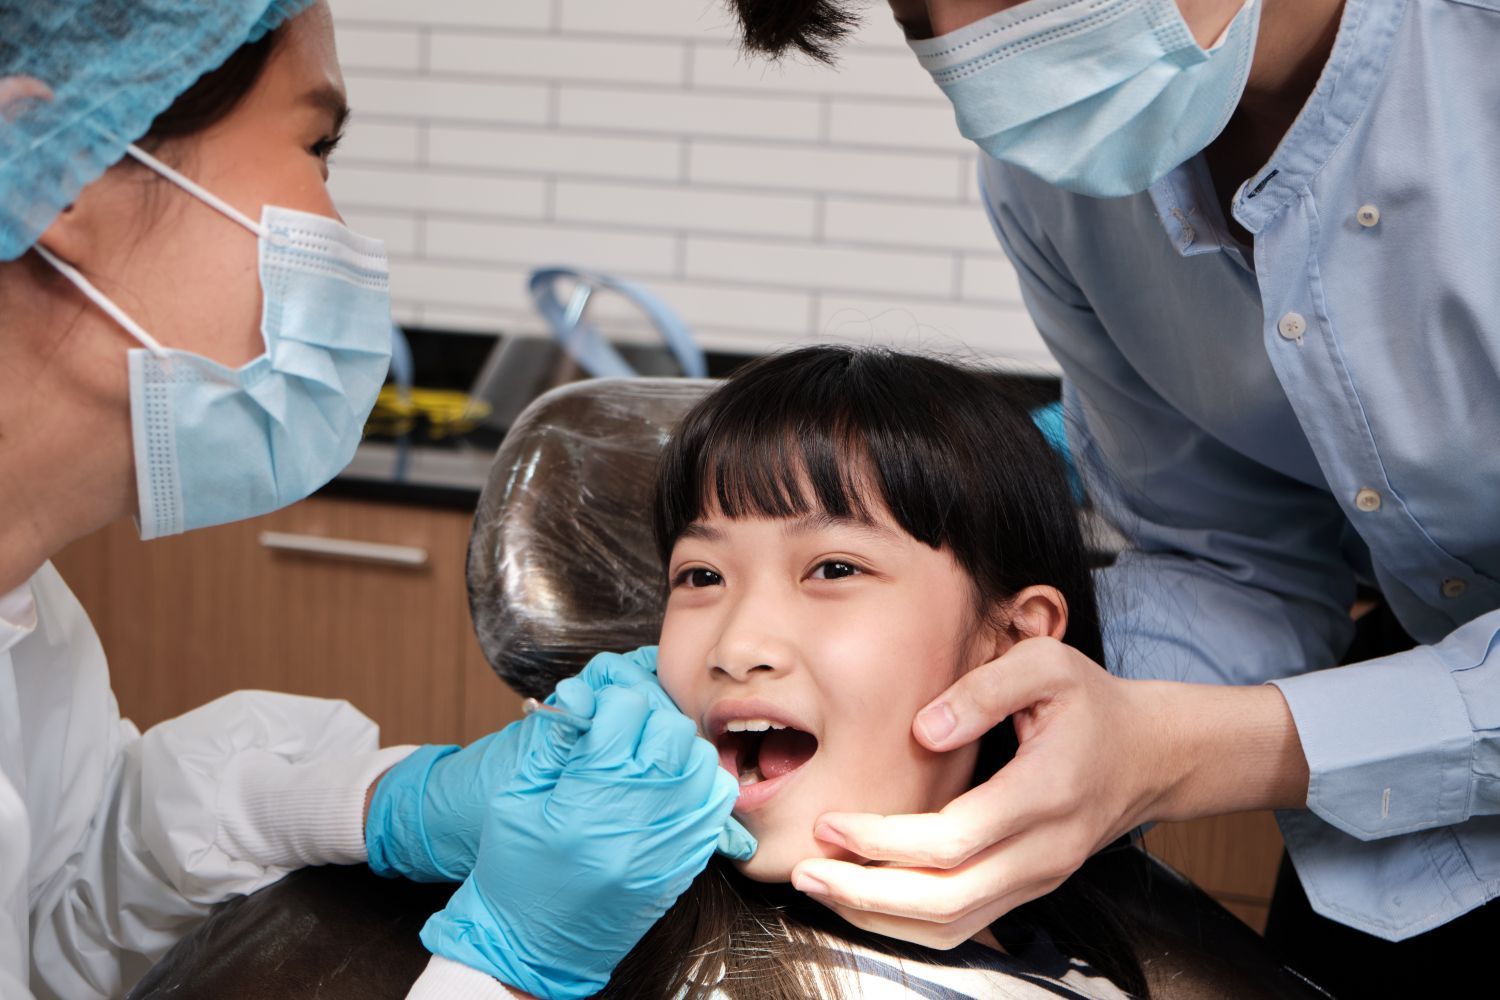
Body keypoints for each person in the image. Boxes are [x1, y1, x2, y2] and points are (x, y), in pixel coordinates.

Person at [721, 0, 1500, 993]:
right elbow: (1230, 552)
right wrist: (994, 711)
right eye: (914, 3)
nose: (966, 45)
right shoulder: (1060, 182)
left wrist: (1173, 748)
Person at [0, 3, 738, 998]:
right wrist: (503, 967)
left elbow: (55, 908)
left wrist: (381, 800)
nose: (341, 233)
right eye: (317, 146)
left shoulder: (31, 619)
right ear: (60, 170)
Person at [602, 345, 1145, 998]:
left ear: (1013, 641)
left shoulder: (1079, 956)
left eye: (833, 568)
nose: (737, 647)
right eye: (701, 575)